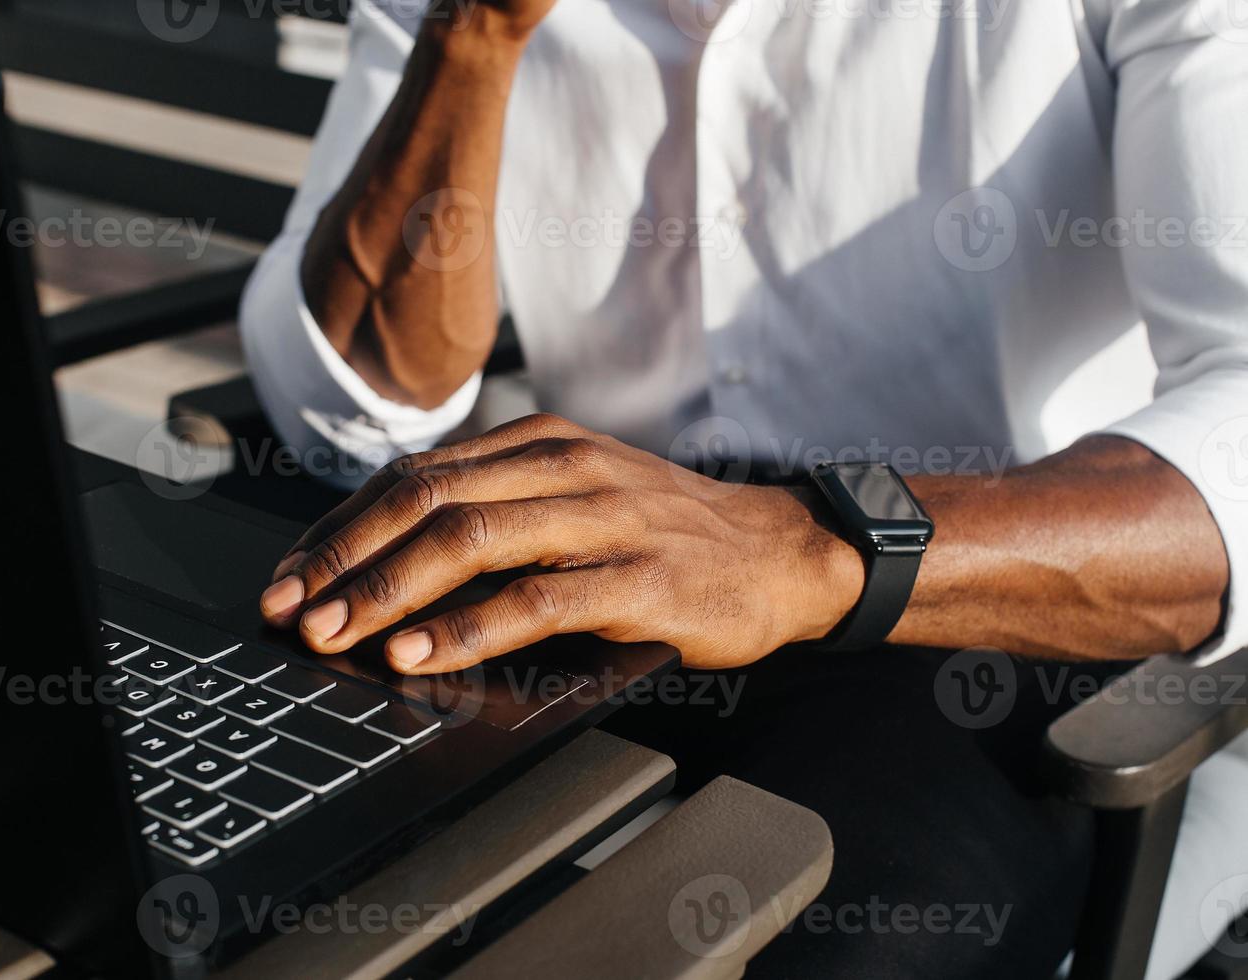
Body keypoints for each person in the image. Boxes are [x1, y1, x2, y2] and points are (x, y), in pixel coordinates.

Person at [238, 0, 1248, 974]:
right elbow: (346, 410)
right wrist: (477, 33)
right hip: (592, 561)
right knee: (257, 863)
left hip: (976, 602)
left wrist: (809, 545)